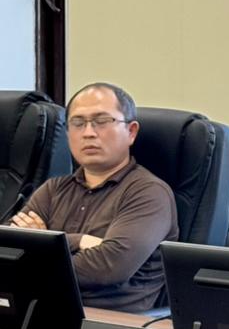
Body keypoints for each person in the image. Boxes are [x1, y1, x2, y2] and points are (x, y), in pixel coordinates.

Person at [8, 82, 177, 312]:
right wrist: (80, 241)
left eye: (102, 121)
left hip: (109, 324)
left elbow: (109, 267)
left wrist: (47, 242)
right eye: (78, 123)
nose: (88, 132)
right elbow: (9, 255)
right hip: (41, 313)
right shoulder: (53, 189)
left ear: (131, 132)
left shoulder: (149, 193)